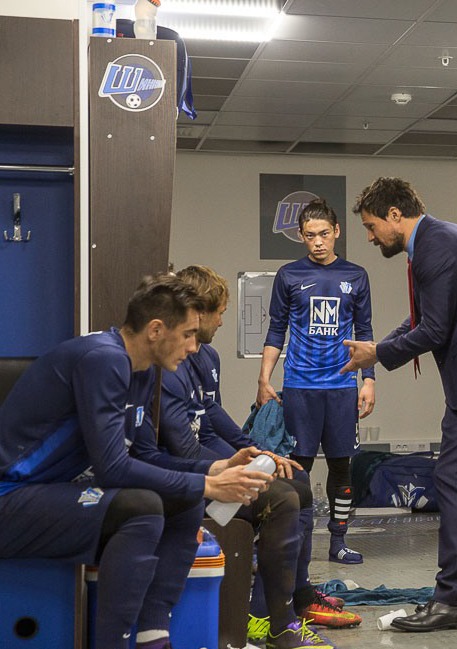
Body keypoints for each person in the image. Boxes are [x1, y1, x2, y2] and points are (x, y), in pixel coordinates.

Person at [0, 276, 272, 649]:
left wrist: (213, 469)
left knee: (184, 501)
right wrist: (209, 486)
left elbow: (144, 455)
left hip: (50, 493)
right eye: (188, 335)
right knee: (141, 508)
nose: (194, 348)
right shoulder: (104, 359)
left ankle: (153, 637)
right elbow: (113, 468)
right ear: (156, 330)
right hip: (11, 495)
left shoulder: (143, 369)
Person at [341, 176, 457, 633]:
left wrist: (378, 355)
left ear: (395, 215)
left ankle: (452, 599)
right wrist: (377, 347)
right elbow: (423, 316)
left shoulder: (434, 246)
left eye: (371, 226)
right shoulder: (439, 238)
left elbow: (435, 330)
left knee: (454, 477)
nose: (371, 238)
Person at [158, 265, 361, 639]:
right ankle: (266, 616)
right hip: (186, 479)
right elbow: (184, 448)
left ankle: (299, 596)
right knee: (284, 497)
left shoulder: (207, 357)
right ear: (198, 312)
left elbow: (210, 420)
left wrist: (254, 452)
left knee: (296, 477)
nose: (222, 321)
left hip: (204, 461)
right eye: (220, 312)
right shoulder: (170, 367)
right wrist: (233, 467)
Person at [256, 198, 377, 565]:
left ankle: (338, 541)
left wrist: (369, 380)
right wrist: (263, 379)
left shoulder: (356, 275)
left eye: (324, 234)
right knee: (297, 466)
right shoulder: (289, 275)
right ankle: (295, 542)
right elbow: (276, 331)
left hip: (341, 387)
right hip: (300, 386)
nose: (318, 242)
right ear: (300, 236)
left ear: (336, 231)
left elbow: (365, 332)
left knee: (342, 466)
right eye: (310, 235)